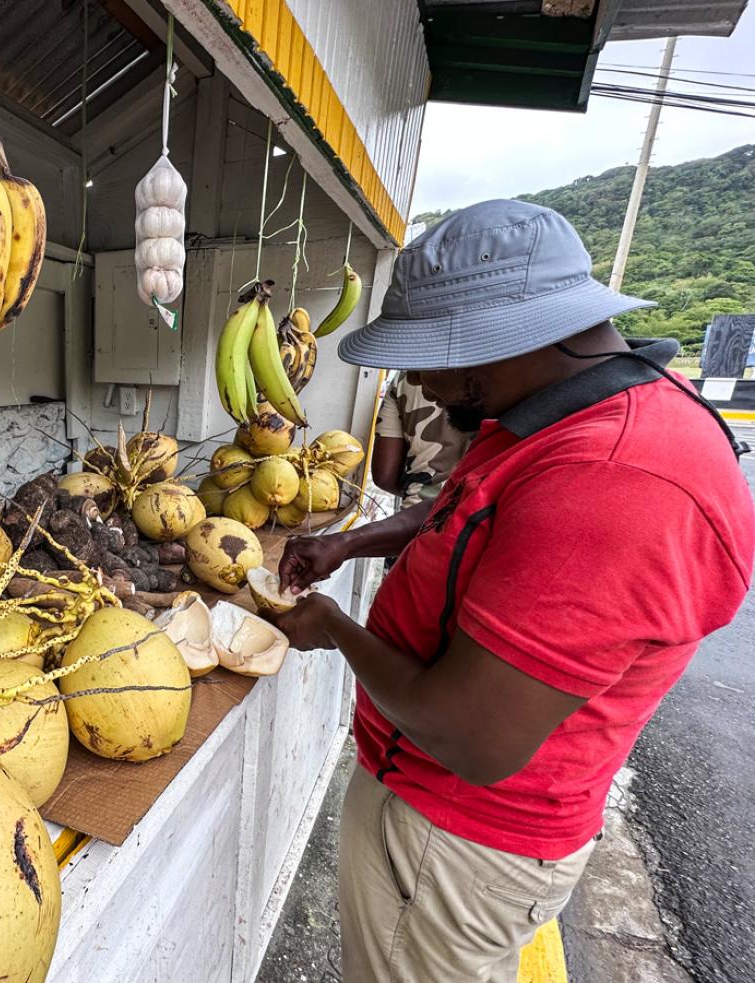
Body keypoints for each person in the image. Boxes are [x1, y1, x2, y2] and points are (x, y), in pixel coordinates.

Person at [267, 199, 754, 983]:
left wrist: (338, 629)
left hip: (454, 844)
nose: (418, 379)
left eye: (428, 355)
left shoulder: (611, 484)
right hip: (436, 822)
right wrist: (354, 540)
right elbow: (474, 508)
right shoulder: (570, 419)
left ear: (500, 338)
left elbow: (471, 737)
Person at [372, 372, 475, 508]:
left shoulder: (408, 374)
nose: (427, 393)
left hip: (417, 515)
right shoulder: (500, 377)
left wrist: (420, 493)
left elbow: (384, 477)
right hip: (480, 514)